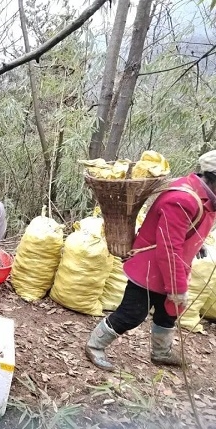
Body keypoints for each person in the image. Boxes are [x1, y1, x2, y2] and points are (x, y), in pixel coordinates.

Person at [86, 150, 216, 371]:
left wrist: (197, 241)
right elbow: (169, 248)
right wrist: (177, 288)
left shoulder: (201, 194)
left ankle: (161, 352)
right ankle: (94, 345)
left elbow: (183, 230)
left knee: (169, 313)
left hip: (170, 268)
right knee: (131, 314)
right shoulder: (183, 199)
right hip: (149, 270)